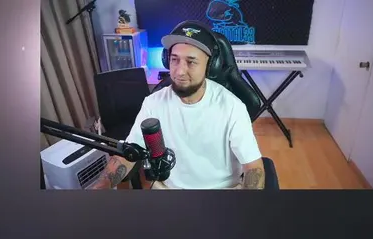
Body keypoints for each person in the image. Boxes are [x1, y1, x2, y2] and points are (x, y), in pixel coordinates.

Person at [90, 22, 264, 190]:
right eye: (174, 60)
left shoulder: (232, 107)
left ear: (209, 66)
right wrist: (101, 187)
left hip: (221, 193)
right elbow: (129, 154)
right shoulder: (153, 103)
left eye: (191, 62)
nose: (180, 71)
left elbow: (253, 168)